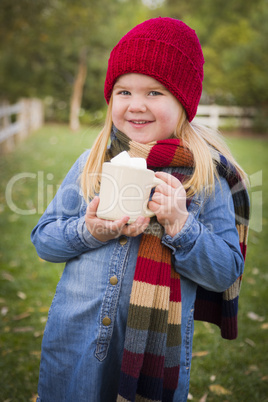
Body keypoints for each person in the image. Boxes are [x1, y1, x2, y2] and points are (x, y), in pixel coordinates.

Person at [31, 17, 250, 402]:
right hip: (75, 344)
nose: (135, 106)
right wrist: (90, 230)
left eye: (154, 93)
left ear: (183, 100)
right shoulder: (91, 163)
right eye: (123, 91)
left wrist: (181, 225)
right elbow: (45, 241)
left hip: (154, 355)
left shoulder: (206, 177)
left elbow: (226, 272)